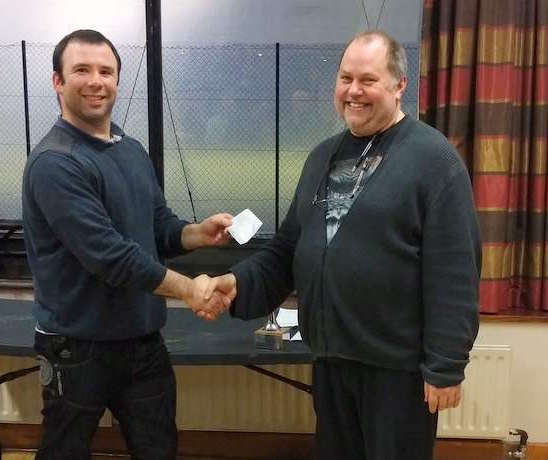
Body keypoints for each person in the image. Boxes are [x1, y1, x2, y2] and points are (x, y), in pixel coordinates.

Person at [204, 29, 482, 460]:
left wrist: (445, 366)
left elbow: (455, 272)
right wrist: (237, 282)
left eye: (368, 80)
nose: (354, 91)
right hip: (331, 359)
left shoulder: (433, 159)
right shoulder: (322, 156)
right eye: (345, 78)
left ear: (399, 85)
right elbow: (288, 249)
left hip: (398, 370)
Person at [22, 29, 233, 460]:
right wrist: (190, 290)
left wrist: (196, 233)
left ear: (117, 79)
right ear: (58, 81)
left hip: (142, 341)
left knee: (159, 449)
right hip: (76, 347)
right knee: (65, 452)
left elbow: (156, 226)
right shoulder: (55, 163)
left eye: (106, 71)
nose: (96, 81)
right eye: (82, 70)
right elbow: (112, 257)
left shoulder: (131, 150)